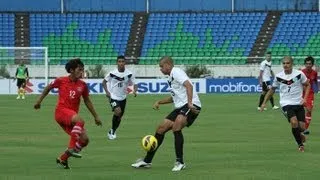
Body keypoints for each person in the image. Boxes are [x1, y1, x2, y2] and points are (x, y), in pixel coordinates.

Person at [131, 56, 201, 171]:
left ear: (168, 65)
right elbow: (174, 97)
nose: (161, 69)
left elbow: (189, 85)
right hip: (180, 106)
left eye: (161, 66)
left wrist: (189, 103)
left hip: (192, 104)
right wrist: (160, 102)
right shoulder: (170, 78)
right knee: (161, 129)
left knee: (176, 127)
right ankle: (147, 161)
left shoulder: (176, 72)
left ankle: (180, 162)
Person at [34, 58, 102, 169]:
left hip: (71, 116)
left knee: (84, 140)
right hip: (61, 112)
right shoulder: (61, 80)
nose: (82, 72)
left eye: (82, 70)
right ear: (71, 70)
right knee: (80, 121)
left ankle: (63, 159)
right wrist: (38, 101)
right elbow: (48, 87)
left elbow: (87, 100)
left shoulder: (83, 85)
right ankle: (70, 148)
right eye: (79, 70)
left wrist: (96, 116)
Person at [260, 56, 310, 152]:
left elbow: (308, 85)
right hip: (286, 104)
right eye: (284, 63)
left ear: (292, 64)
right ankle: (300, 145)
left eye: (288, 63)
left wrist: (305, 99)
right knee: (294, 122)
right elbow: (272, 90)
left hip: (298, 103)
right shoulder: (279, 76)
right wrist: (263, 103)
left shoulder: (299, 74)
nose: (285, 65)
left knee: (302, 127)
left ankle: (300, 134)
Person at [102, 55, 137, 140]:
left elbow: (135, 84)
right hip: (113, 96)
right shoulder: (112, 73)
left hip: (123, 98)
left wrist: (135, 90)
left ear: (125, 63)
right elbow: (104, 82)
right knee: (118, 111)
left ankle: (112, 130)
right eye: (119, 61)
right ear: (117, 63)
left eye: (122, 61)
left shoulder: (129, 74)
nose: (121, 63)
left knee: (119, 117)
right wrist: (107, 92)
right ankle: (112, 131)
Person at [301, 56, 318, 135]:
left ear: (312, 64)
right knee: (298, 111)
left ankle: (305, 129)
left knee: (309, 110)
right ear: (305, 64)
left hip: (310, 94)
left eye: (310, 64)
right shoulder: (301, 72)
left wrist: (316, 88)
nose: (308, 65)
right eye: (307, 64)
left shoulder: (314, 72)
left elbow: (314, 80)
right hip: (300, 93)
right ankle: (301, 127)